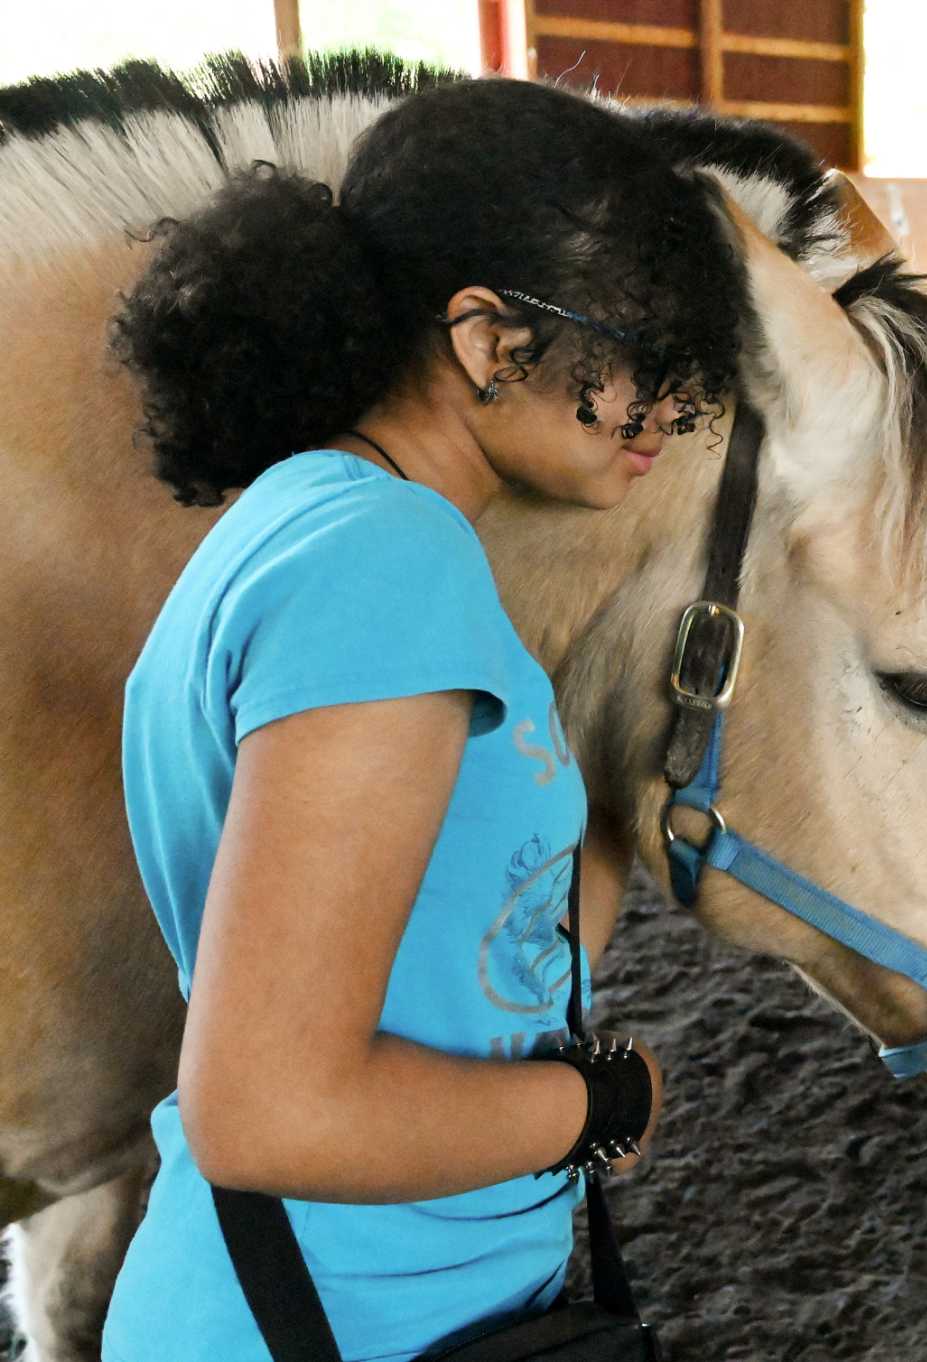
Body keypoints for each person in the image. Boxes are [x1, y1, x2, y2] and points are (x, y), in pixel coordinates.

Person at [104, 75, 746, 1362]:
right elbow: (269, 1112)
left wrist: (621, 796)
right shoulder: (384, 566)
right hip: (329, 1321)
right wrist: (605, 1105)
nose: (665, 416)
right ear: (486, 339)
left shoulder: (327, 524)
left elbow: (485, 956)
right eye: (640, 360)